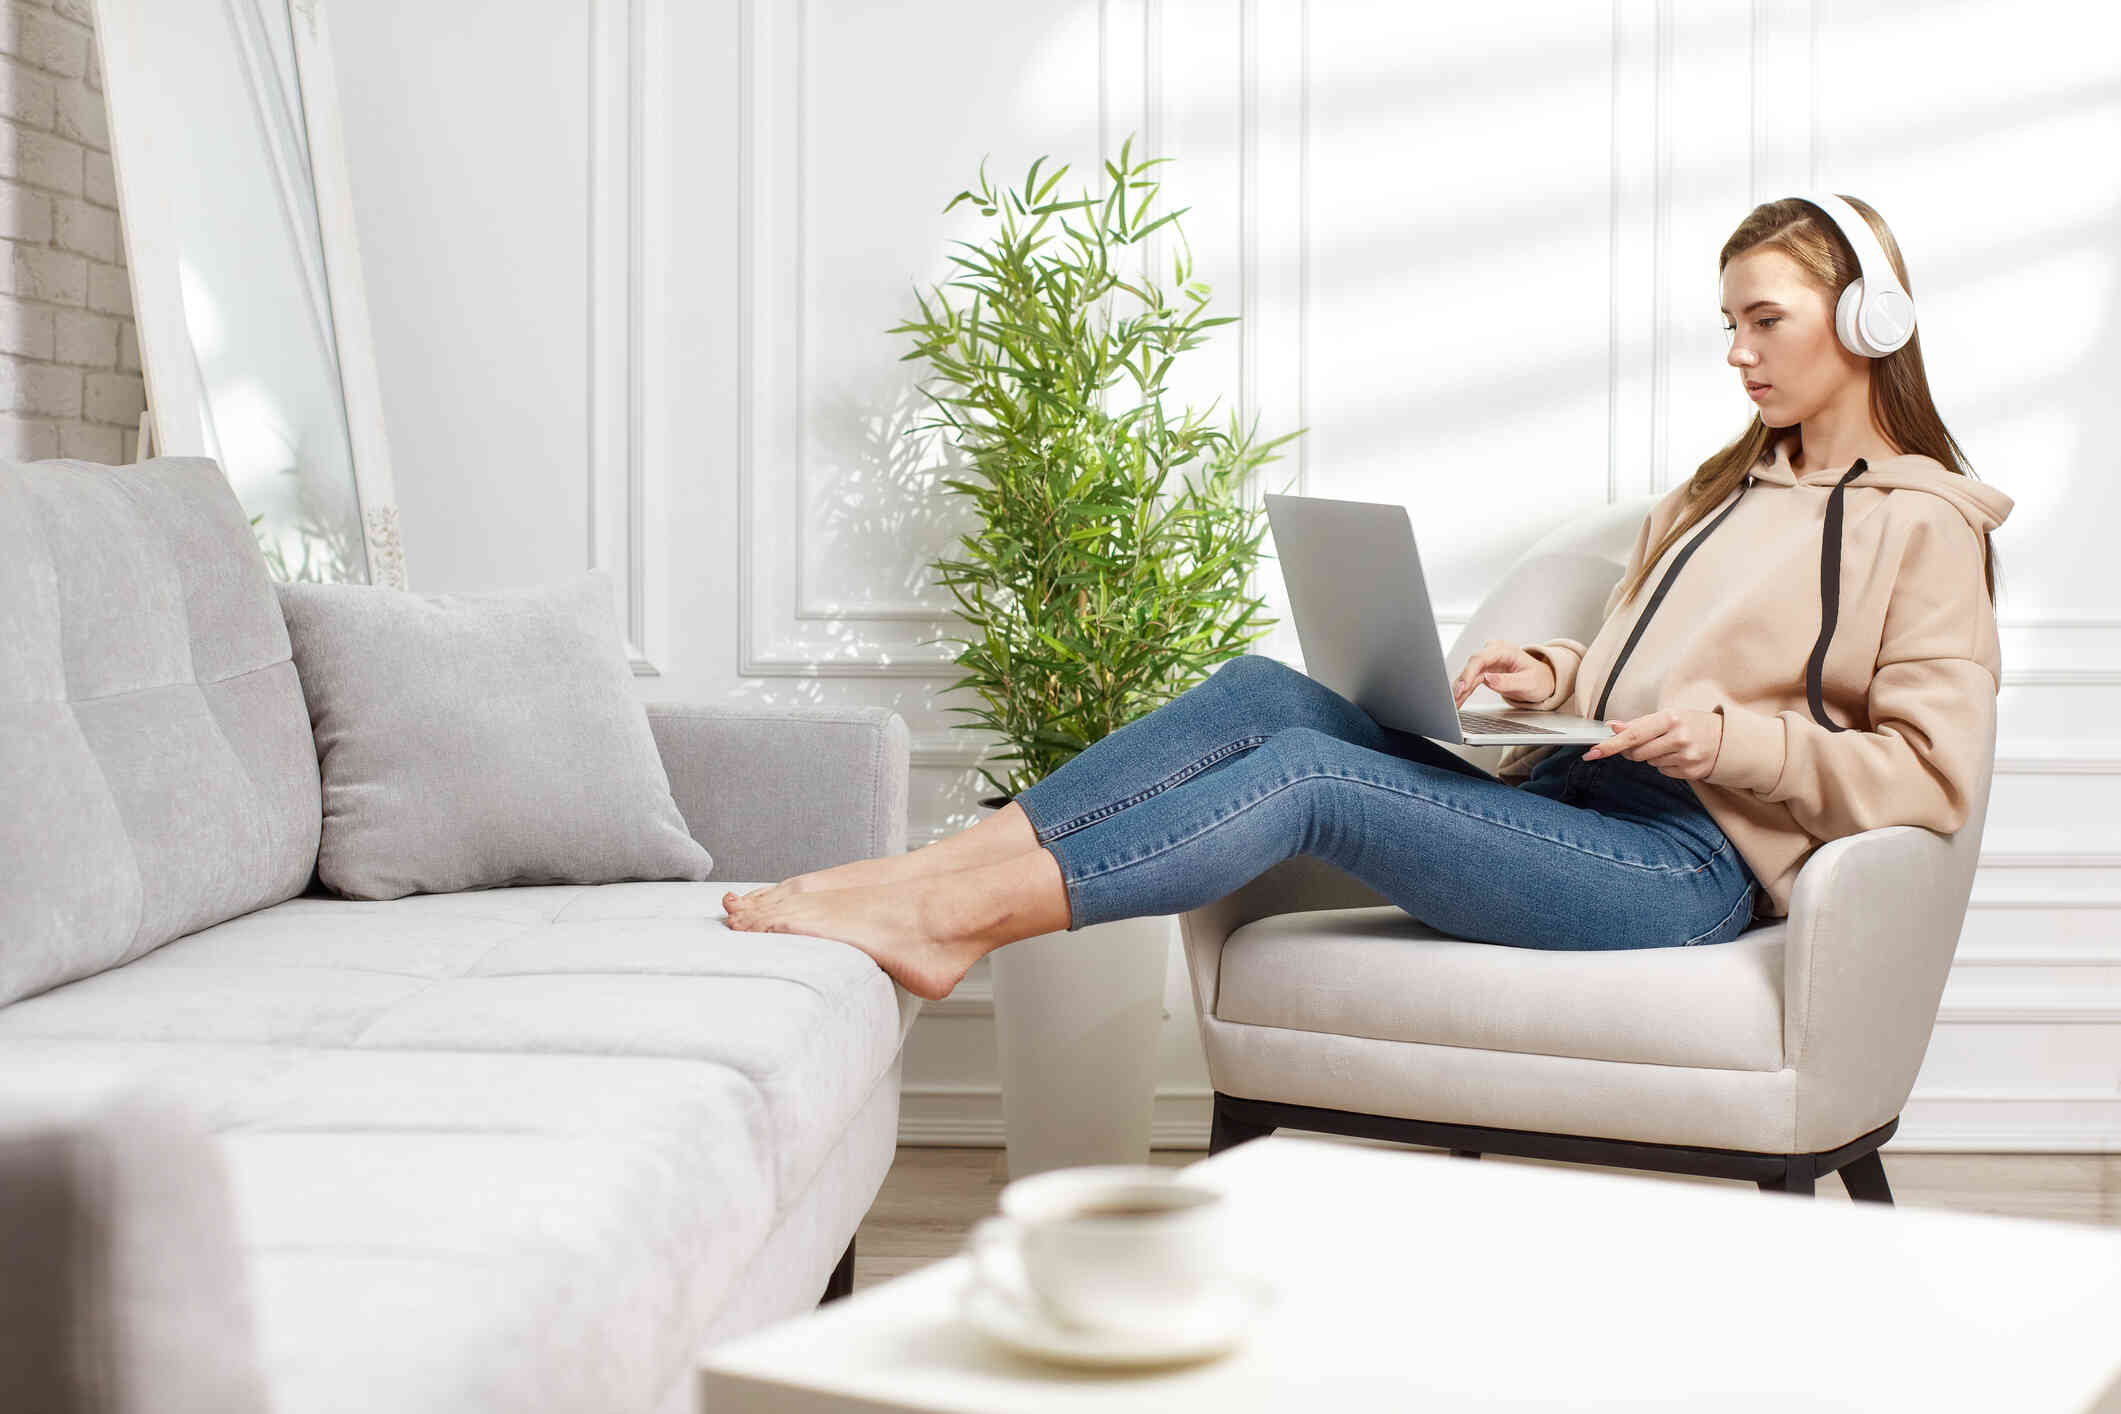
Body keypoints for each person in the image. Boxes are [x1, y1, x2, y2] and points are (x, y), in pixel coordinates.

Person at [723, 194, 2011, 1003]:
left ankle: (952, 924)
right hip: (1570, 795)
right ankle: (916, 875)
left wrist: (1742, 743)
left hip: (1686, 866)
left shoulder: (1928, 527)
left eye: (1764, 320)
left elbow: (1931, 775)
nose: (1736, 351)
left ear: (1871, 319)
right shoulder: (1718, 489)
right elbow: (1646, 655)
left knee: (1309, 777)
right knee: (1267, 694)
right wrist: (1553, 680)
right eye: (1725, 322)